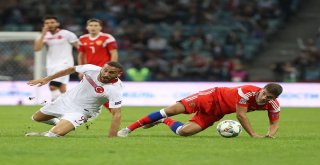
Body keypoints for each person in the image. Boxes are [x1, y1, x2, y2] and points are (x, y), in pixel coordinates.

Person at [118, 83, 283, 138]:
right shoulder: (247, 91)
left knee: (184, 132)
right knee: (172, 109)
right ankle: (128, 129)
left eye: (268, 98)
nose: (263, 99)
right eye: (263, 94)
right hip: (211, 96)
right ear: (261, 89)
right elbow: (241, 115)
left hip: (217, 112)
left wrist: (270, 134)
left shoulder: (273, 105)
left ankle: (163, 121)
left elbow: (274, 122)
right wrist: (254, 135)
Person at [25, 61, 124, 138]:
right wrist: (47, 79)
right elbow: (71, 69)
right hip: (66, 100)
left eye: (111, 72)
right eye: (105, 70)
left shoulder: (115, 89)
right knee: (36, 118)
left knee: (54, 134)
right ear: (102, 68)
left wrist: (112, 136)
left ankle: (55, 130)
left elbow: (117, 113)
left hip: (83, 111)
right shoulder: (91, 69)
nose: (106, 74)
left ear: (119, 74)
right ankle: (59, 123)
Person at [34, 16, 79, 101]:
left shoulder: (67, 34)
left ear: (57, 23)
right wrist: (43, 34)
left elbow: (79, 47)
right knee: (62, 87)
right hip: (51, 64)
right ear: (44, 25)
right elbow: (37, 48)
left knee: (53, 86)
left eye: (52, 22)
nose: (49, 24)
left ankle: (55, 107)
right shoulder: (45, 36)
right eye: (47, 23)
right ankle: (67, 107)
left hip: (65, 63)